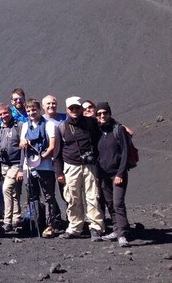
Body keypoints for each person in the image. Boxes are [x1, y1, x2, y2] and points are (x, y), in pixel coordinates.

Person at [54, 96, 105, 241]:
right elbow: (57, 151)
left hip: (89, 165)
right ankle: (75, 228)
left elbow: (99, 141)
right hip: (71, 165)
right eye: (71, 108)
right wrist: (59, 172)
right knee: (72, 198)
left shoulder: (91, 123)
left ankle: (95, 228)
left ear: (81, 108)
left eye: (77, 107)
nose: (75, 110)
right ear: (67, 110)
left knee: (92, 196)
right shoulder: (62, 127)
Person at [20, 99, 64, 237]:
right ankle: (37, 222)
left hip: (45, 166)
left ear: (39, 109)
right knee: (32, 196)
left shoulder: (49, 125)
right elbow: (21, 142)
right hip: (29, 166)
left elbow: (52, 146)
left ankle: (51, 224)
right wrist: (24, 143)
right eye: (28, 111)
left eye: (34, 110)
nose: (31, 113)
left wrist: (41, 159)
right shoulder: (25, 126)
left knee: (48, 196)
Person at [95, 102, 132, 247]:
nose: (102, 116)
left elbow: (125, 153)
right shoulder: (97, 131)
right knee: (110, 204)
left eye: (105, 113)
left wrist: (121, 173)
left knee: (118, 203)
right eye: (99, 114)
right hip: (103, 174)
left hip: (117, 173)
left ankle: (122, 234)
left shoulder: (118, 129)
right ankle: (117, 229)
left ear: (110, 113)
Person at [0, 103, 23, 232]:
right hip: (4, 164)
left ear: (10, 112)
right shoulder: (1, 128)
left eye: (5, 113)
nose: (3, 116)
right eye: (0, 114)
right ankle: (16, 219)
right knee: (14, 192)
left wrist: (22, 168)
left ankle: (7, 220)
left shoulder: (18, 126)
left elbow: (24, 148)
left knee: (6, 189)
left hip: (16, 163)